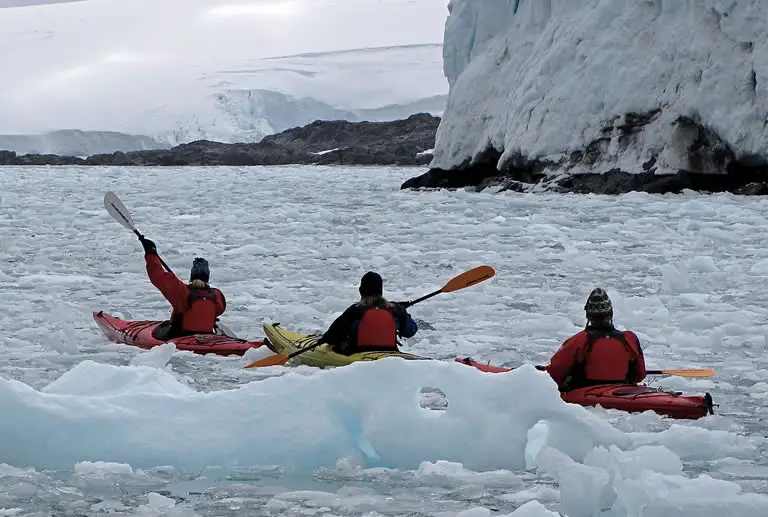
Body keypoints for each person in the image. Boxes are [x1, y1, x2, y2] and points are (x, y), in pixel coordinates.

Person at [546, 288, 646, 391]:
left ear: (588, 315)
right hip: (623, 393)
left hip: (586, 395)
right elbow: (639, 375)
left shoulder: (579, 340)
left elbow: (555, 373)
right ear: (610, 313)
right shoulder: (629, 339)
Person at [138, 236, 226, 340]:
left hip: (180, 338)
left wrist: (150, 253)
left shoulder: (182, 291)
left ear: (192, 276)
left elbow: (157, 274)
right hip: (207, 336)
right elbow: (219, 309)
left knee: (163, 328)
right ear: (207, 277)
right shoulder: (217, 295)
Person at [319, 271, 418, 355]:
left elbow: (332, 336)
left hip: (356, 354)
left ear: (361, 291)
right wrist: (403, 313)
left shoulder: (355, 310)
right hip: (389, 353)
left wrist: (324, 340)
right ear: (380, 290)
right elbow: (410, 331)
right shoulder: (396, 310)